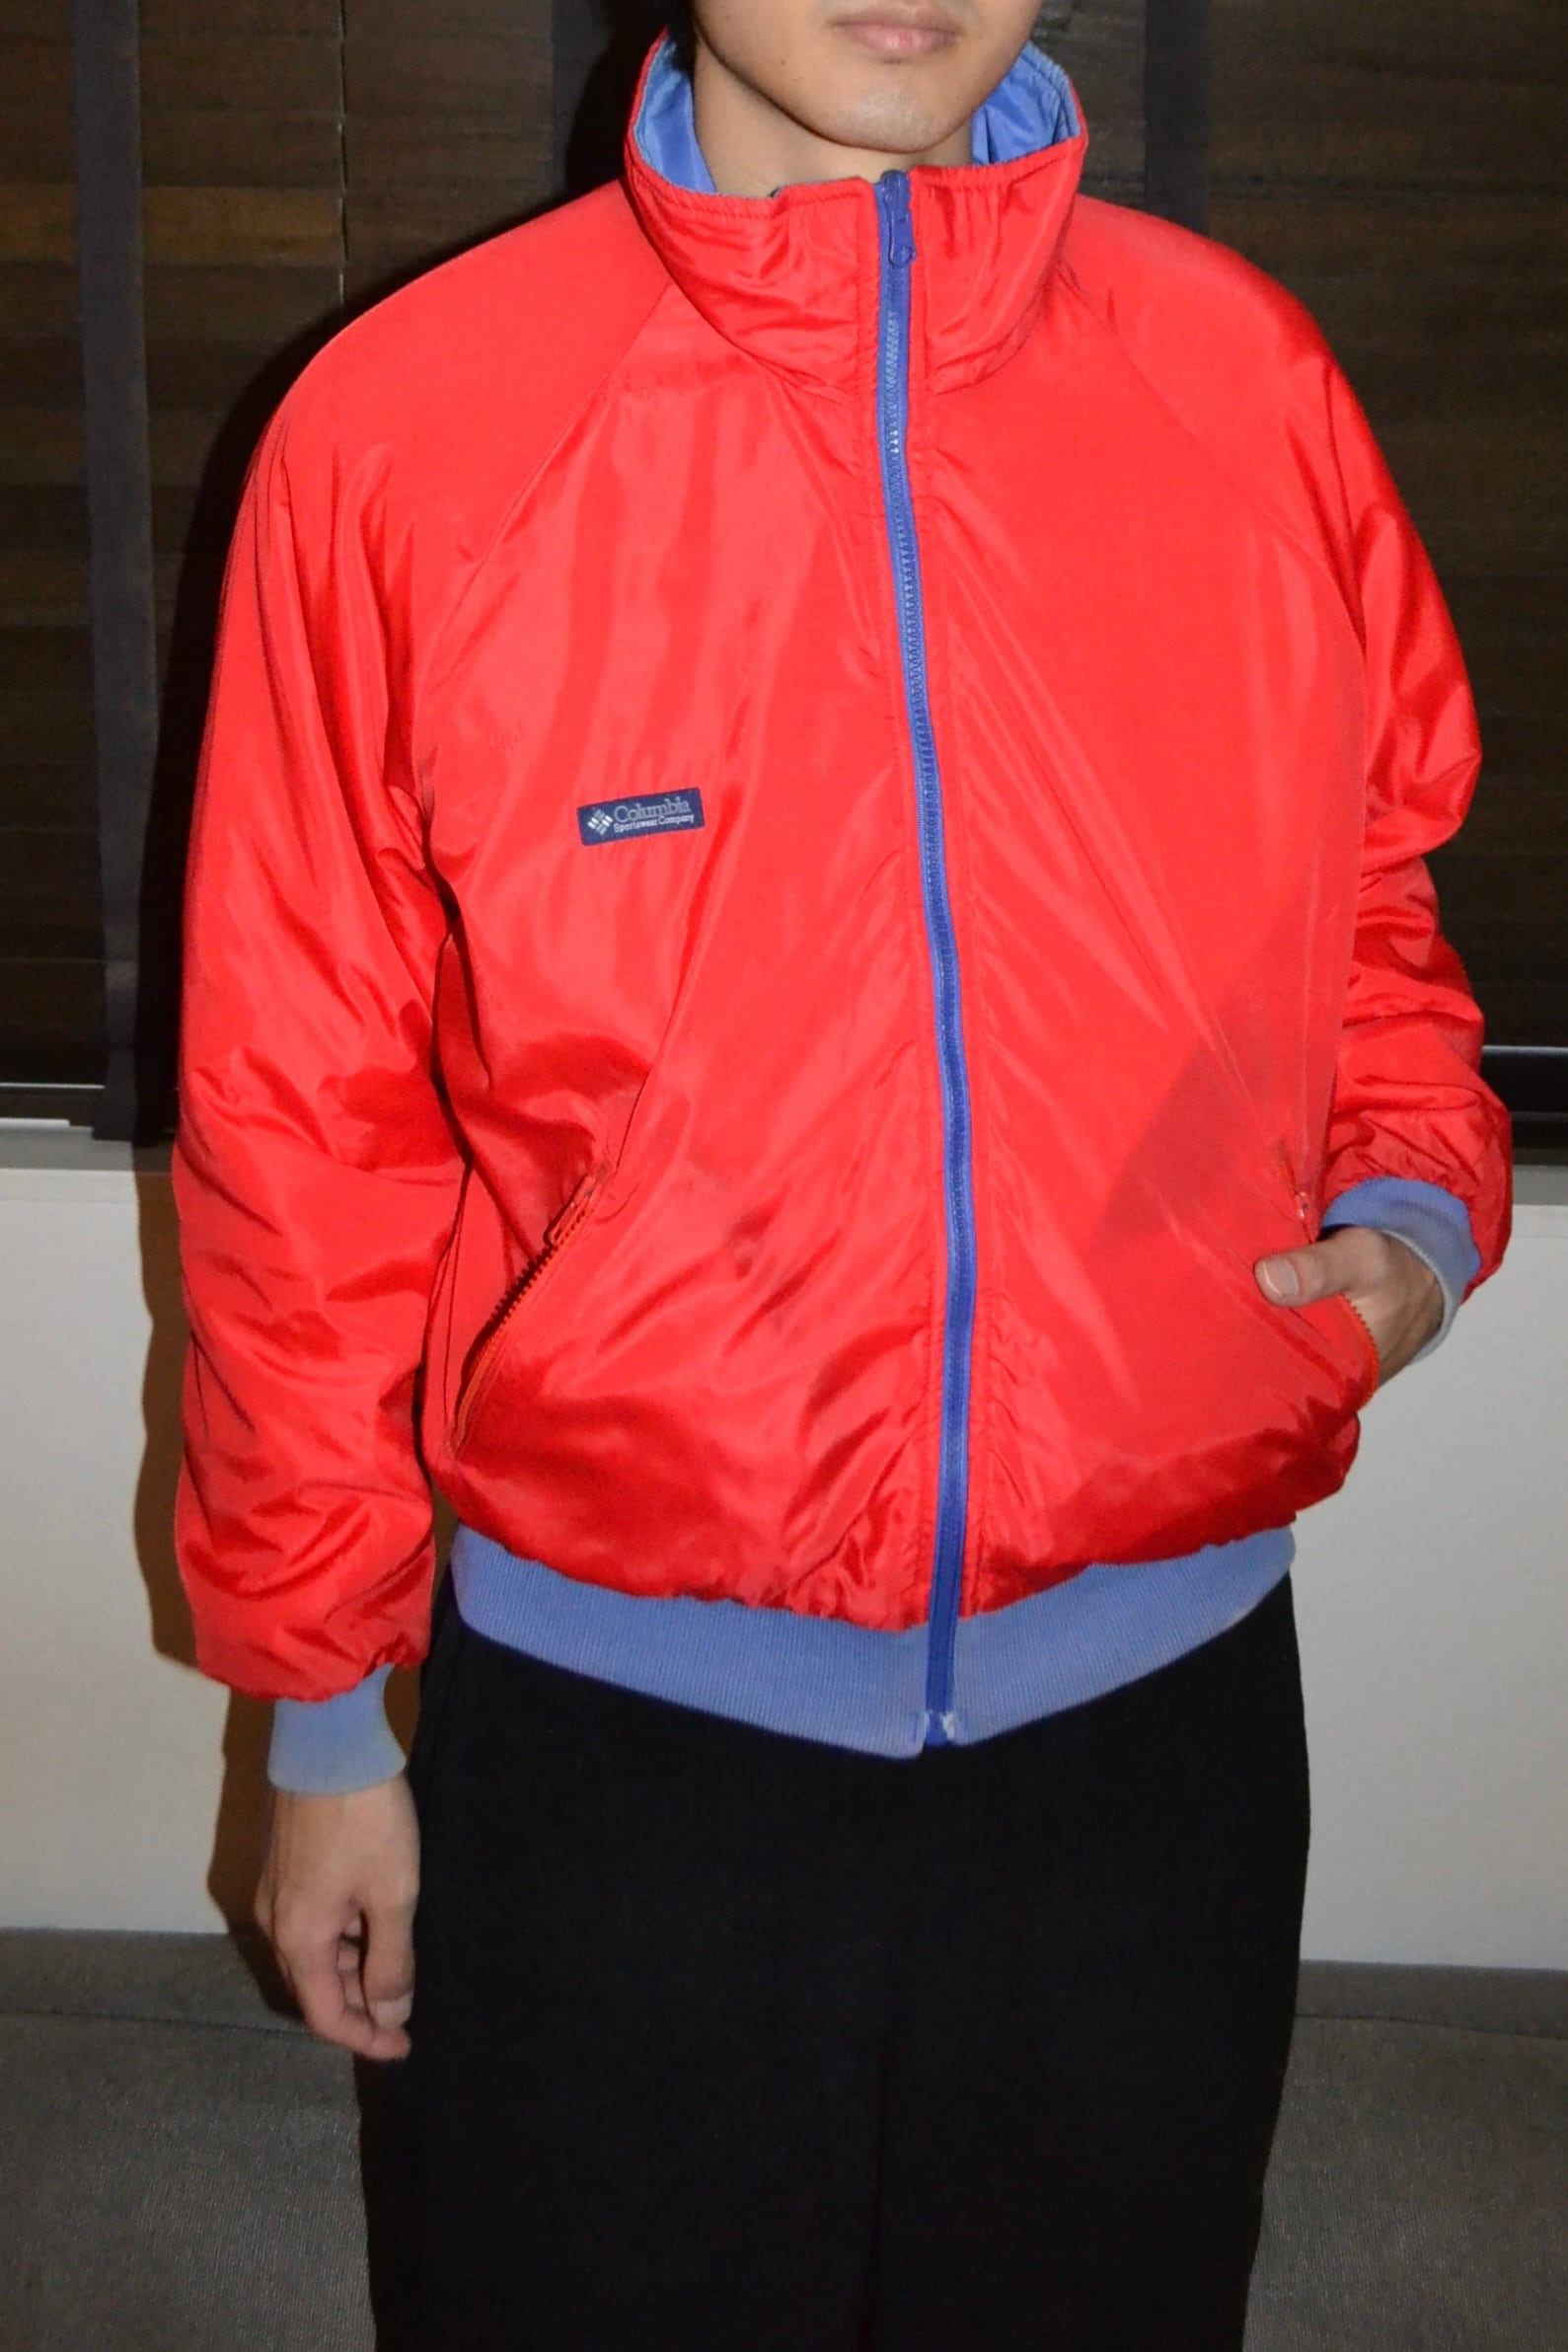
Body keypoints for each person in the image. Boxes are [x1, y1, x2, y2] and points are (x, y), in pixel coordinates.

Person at [174, 3, 1512, 2345]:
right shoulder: (411, 428)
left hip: (1159, 1716)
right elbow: (306, 1123)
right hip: (616, 1734)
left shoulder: (1241, 378)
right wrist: (318, 1722)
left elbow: (1374, 892)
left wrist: (1410, 1200)